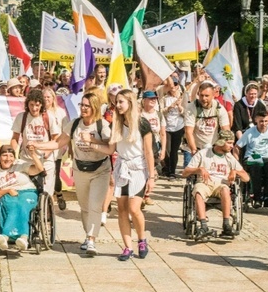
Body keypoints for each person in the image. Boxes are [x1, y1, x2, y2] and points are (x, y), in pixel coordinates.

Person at [31, 92, 111, 255]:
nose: (83, 108)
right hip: (80, 169)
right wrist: (38, 145)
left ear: (94, 107)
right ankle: (88, 234)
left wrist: (93, 140)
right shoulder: (74, 124)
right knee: (84, 206)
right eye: (82, 105)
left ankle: (91, 239)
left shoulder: (102, 125)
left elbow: (111, 146)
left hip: (100, 170)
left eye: (86, 106)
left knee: (95, 205)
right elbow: (58, 143)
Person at [87, 90, 154, 260]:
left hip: (138, 168)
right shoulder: (116, 123)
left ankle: (142, 239)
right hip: (122, 167)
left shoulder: (142, 124)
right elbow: (111, 149)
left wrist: (151, 177)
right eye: (116, 102)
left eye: (121, 102)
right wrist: (93, 144)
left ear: (130, 103)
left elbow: (148, 151)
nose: (117, 105)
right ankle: (127, 247)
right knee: (122, 209)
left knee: (134, 208)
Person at [183, 130, 250, 239]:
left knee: (225, 190)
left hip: (222, 184)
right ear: (221, 142)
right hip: (205, 183)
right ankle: (203, 226)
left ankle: (226, 224)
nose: (231, 146)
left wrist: (235, 171)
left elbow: (246, 178)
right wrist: (198, 169)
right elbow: (185, 172)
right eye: (229, 143)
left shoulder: (229, 157)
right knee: (198, 191)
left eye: (232, 143)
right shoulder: (203, 154)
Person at [0, 145, 45, 252]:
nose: (8, 158)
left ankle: (12, 236)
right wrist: (7, 190)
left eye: (11, 156)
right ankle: (16, 237)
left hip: (28, 192)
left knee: (22, 205)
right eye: (4, 155)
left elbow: (40, 169)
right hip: (7, 194)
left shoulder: (20, 165)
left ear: (14, 158)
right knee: (13, 205)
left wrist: (32, 154)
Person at [11, 89, 60, 196]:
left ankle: (47, 211)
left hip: (45, 160)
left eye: (37, 105)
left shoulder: (48, 117)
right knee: (26, 191)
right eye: (31, 104)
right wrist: (12, 153)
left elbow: (56, 138)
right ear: (27, 104)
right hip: (26, 160)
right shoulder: (21, 117)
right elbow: (15, 138)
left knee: (46, 193)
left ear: (41, 104)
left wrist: (48, 151)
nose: (34, 108)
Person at [236, 110, 268, 208]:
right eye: (261, 121)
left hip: (266, 156)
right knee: (256, 166)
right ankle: (256, 197)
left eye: (266, 121)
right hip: (252, 156)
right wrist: (236, 163)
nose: (264, 124)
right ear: (256, 121)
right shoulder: (250, 132)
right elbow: (237, 147)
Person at [184, 81, 231, 155]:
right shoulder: (191, 107)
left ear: (213, 95)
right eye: (201, 95)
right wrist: (194, 150)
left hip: (213, 147)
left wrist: (224, 148)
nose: (203, 98)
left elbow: (226, 131)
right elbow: (188, 132)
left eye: (206, 96)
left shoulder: (219, 108)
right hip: (194, 147)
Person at [43, 87, 69, 209]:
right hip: (43, 148)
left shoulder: (60, 112)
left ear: (53, 98)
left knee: (55, 175)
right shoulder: (40, 112)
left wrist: (65, 146)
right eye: (44, 97)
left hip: (57, 148)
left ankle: (58, 194)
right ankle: (47, 202)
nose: (46, 99)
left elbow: (66, 130)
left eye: (48, 97)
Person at [140, 90, 166, 198]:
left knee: (153, 171)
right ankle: (142, 195)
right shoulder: (140, 114)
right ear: (144, 100)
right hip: (141, 146)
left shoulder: (159, 115)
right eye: (150, 98)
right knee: (142, 170)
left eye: (154, 99)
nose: (153, 101)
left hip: (155, 146)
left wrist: (163, 150)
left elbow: (163, 133)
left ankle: (147, 194)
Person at [160, 77, 185, 180]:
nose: (173, 87)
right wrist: (170, 107)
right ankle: (166, 167)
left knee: (174, 150)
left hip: (179, 126)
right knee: (167, 150)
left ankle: (172, 172)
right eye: (172, 85)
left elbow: (186, 113)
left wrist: (180, 107)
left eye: (175, 84)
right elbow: (161, 112)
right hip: (167, 127)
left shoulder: (182, 97)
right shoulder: (164, 98)